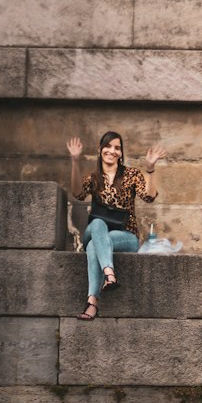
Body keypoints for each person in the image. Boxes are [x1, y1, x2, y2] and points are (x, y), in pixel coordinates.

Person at [67, 130, 166, 321]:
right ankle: (109, 273)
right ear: (100, 149)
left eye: (117, 148)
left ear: (121, 153)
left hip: (125, 236)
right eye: (108, 146)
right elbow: (77, 193)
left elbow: (149, 197)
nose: (112, 151)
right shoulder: (93, 178)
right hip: (95, 231)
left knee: (94, 246)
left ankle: (92, 302)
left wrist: (151, 169)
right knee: (97, 224)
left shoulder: (131, 175)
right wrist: (74, 161)